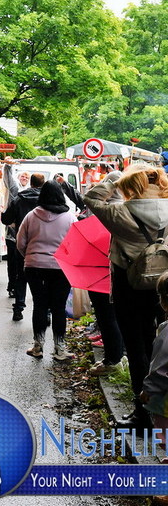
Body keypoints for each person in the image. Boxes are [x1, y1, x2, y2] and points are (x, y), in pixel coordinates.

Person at [84, 164, 168, 428]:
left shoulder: (119, 212)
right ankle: (162, 410)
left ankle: (142, 414)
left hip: (129, 287)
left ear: (130, 186)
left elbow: (91, 198)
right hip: (164, 286)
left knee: (136, 347)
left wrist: (113, 178)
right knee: (162, 346)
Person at [16, 180, 76, 361]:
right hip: (61, 268)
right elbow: (75, 244)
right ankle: (59, 349)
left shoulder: (31, 216)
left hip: (34, 267)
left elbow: (20, 243)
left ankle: (38, 346)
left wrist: (31, 256)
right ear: (61, 195)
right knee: (59, 307)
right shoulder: (70, 218)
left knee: (40, 305)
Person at [84, 170, 125, 376]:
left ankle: (112, 360)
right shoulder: (130, 210)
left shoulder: (103, 213)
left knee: (107, 317)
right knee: (122, 317)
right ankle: (120, 356)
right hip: (125, 273)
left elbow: (89, 197)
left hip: (100, 273)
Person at [1, 171, 46, 320]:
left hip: (23, 244)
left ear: (31, 183)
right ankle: (46, 311)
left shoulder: (19, 199)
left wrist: (4, 213)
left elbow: (6, 220)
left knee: (21, 276)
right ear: (43, 184)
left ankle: (18, 309)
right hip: (45, 245)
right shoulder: (48, 200)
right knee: (43, 280)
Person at [140, 270, 168, 456]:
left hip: (165, 400)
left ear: (164, 302)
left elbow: (161, 369)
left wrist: (148, 390)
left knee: (164, 431)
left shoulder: (166, 335)